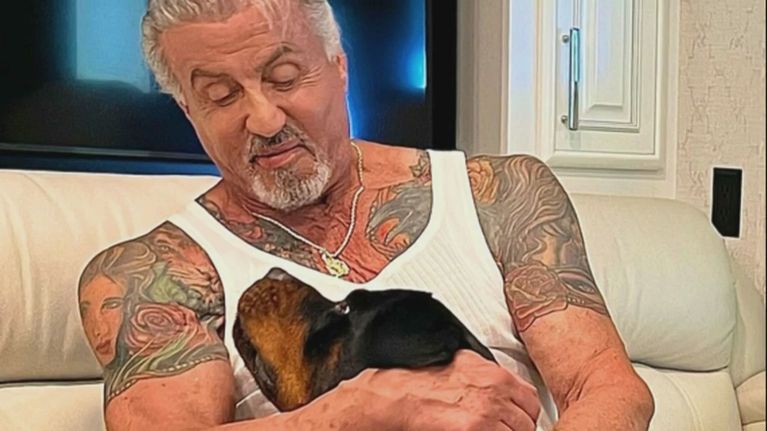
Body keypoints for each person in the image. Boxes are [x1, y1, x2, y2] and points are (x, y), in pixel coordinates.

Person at [77, 1, 654, 430]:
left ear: (340, 66)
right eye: (222, 96)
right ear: (188, 110)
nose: (265, 119)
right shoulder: (150, 274)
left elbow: (606, 388)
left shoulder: (501, 194)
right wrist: (365, 410)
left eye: (285, 78)